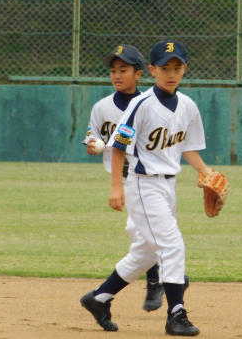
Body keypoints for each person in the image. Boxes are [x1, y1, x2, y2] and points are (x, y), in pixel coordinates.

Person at [81, 40, 210, 336]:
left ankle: (98, 298)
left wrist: (206, 172)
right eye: (165, 68)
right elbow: (117, 147)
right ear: (151, 70)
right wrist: (116, 187)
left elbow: (188, 147)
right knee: (172, 245)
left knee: (146, 253)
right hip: (142, 185)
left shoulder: (188, 106)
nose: (171, 73)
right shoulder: (141, 105)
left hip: (168, 186)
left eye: (177, 67)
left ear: (184, 70)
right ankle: (176, 315)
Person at [83, 44, 165, 313]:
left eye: (124, 70)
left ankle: (158, 281)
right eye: (113, 70)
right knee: (141, 232)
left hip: (145, 179)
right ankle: (168, 276)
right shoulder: (101, 107)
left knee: (137, 230)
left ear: (139, 74)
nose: (117, 75)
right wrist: (93, 143)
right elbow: (91, 138)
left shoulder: (148, 106)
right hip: (123, 179)